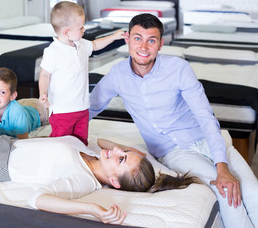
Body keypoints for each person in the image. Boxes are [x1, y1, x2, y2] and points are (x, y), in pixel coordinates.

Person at [89, 13, 258, 227]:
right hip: (174, 152)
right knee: (224, 189)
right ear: (128, 40)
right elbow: (91, 108)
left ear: (161, 44)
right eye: (137, 38)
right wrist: (63, 130)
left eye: (151, 40)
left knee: (252, 191)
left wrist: (222, 166)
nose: (143, 46)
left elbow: (205, 116)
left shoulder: (178, 68)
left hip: (206, 137)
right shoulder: (117, 75)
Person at [0, 113, 200, 225]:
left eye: (120, 161)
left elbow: (37, 199)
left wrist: (92, 209)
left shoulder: (82, 180)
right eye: (124, 152)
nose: (116, 151)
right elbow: (106, 141)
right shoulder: (90, 153)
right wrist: (136, 155)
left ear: (115, 185)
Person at [38, 1, 125, 145]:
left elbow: (96, 45)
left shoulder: (81, 44)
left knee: (80, 142)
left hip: (82, 107)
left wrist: (114, 37)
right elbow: (45, 75)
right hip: (62, 110)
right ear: (66, 32)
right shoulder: (53, 51)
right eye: (80, 27)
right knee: (60, 143)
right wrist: (43, 93)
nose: (84, 30)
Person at [0, 68, 49, 139]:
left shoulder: (16, 111)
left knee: (53, 112)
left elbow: (22, 142)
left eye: (2, 92)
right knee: (15, 106)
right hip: (17, 104)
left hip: (37, 110)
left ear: (12, 96)